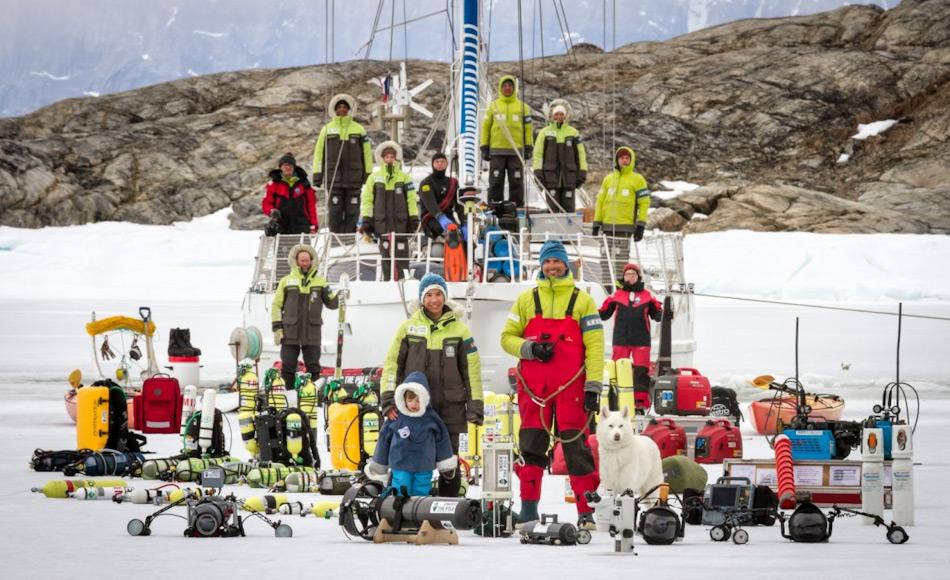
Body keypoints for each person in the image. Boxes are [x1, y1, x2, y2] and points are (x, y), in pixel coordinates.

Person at [500, 240, 604, 530]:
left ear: (565, 264)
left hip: (572, 391)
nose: (552, 267)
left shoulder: (583, 301)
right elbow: (506, 338)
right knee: (531, 449)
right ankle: (528, 510)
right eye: (547, 262)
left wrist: (594, 387)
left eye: (557, 262)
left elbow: (595, 348)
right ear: (541, 265)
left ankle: (586, 513)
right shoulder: (525, 300)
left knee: (577, 451)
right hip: (535, 392)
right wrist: (529, 349)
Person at [380, 272, 483, 497]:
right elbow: (391, 367)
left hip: (450, 409)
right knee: (403, 457)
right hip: (412, 409)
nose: (434, 300)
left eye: (438, 294)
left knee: (449, 463)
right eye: (429, 295)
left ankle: (445, 512)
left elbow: (472, 373)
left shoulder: (460, 331)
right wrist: (388, 401)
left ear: (445, 297)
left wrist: (474, 407)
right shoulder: (407, 328)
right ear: (421, 298)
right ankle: (397, 507)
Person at [365, 371, 459, 496]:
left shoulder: (431, 418)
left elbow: (442, 438)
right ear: (403, 398)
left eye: (418, 400)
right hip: (400, 462)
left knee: (421, 489)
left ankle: (419, 513)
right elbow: (384, 440)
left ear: (425, 398)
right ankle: (399, 511)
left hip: (424, 464)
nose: (414, 404)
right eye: (410, 400)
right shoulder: (396, 417)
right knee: (401, 487)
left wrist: (445, 462)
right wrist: (379, 463)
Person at [271, 244, 341, 389]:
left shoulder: (321, 281)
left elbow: (332, 304)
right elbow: (276, 305)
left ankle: (313, 396)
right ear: (296, 261)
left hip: (312, 333)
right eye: (302, 260)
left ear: (311, 261)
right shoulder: (286, 281)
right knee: (288, 366)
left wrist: (341, 296)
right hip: (290, 332)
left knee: (314, 367)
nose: (305, 263)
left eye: (307, 260)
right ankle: (289, 395)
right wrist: (277, 328)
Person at [312, 93, 373, 234]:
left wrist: (367, 175)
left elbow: (367, 155)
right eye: (339, 107)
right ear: (335, 109)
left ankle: (350, 238)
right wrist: (317, 176)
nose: (342, 109)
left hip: (354, 180)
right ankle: (335, 239)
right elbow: (319, 154)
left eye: (344, 107)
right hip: (334, 179)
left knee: (353, 210)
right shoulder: (326, 130)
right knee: (334, 211)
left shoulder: (359, 129)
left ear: (349, 109)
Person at [359, 141, 419, 281]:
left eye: (392, 156)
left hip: (401, 225)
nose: (390, 159)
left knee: (402, 256)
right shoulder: (373, 178)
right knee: (386, 258)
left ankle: (404, 281)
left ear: (396, 158)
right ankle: (387, 282)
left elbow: (411, 199)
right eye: (387, 157)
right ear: (382, 158)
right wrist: (367, 219)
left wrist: (414, 218)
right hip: (382, 225)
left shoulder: (405, 178)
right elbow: (367, 200)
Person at [593, 146, 652, 282]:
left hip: (625, 229)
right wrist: (596, 224)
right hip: (607, 228)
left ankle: (621, 291)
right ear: (617, 160)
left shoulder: (638, 180)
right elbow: (600, 201)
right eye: (621, 158)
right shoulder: (608, 179)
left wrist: (641, 225)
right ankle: (607, 290)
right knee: (605, 261)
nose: (624, 160)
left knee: (621, 264)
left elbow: (644, 203)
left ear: (631, 160)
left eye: (627, 158)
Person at [480, 75, 534, 207]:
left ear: (514, 88)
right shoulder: (493, 106)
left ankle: (516, 207)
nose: (507, 88)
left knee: (516, 181)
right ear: (501, 88)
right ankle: (494, 206)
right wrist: (484, 147)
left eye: (510, 85)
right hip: (497, 151)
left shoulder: (523, 107)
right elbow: (486, 127)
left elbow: (528, 128)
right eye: (505, 86)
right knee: (496, 180)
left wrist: (528, 146)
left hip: (516, 151)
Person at [599, 263, 662, 367]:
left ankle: (640, 383)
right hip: (620, 339)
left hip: (641, 340)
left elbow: (657, 314)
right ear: (624, 277)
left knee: (641, 371)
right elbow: (604, 314)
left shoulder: (647, 295)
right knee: (619, 371)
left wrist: (665, 313)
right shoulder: (616, 295)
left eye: (633, 274)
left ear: (638, 277)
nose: (630, 276)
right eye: (627, 274)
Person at [532, 99, 588, 213]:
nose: (559, 116)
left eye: (561, 114)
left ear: (566, 115)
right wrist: (538, 173)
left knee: (569, 211)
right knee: (553, 210)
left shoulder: (573, 133)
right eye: (556, 114)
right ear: (552, 116)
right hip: (550, 179)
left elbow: (581, 155)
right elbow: (538, 155)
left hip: (569, 180)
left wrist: (582, 173)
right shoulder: (544, 133)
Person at [261, 153, 317, 235]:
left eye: (290, 165)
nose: (288, 167)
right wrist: (271, 211)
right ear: (280, 167)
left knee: (303, 248)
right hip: (281, 226)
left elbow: (311, 205)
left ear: (294, 167)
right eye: (285, 165)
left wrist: (313, 225)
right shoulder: (273, 184)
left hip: (302, 226)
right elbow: (266, 203)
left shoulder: (304, 183)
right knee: (282, 248)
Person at [418, 152, 465, 240]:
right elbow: (430, 203)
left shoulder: (453, 183)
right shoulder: (426, 183)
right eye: (437, 161)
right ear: (432, 164)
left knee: (466, 242)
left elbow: (459, 205)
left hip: (449, 220)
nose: (440, 164)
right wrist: (441, 217)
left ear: (447, 164)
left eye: (443, 161)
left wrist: (465, 223)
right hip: (431, 219)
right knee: (448, 238)